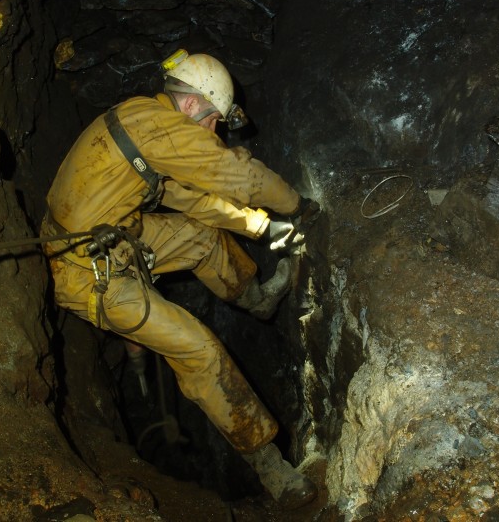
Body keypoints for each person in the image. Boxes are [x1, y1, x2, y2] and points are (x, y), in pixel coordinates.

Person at [41, 49, 320, 510]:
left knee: (199, 239)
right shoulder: (158, 129)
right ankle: (271, 468)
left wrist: (258, 226)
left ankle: (257, 300)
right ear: (192, 105)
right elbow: (236, 175)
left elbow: (192, 200)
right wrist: (296, 207)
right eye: (213, 121)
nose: (213, 133)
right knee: (200, 347)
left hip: (118, 236)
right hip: (86, 269)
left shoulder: (144, 124)